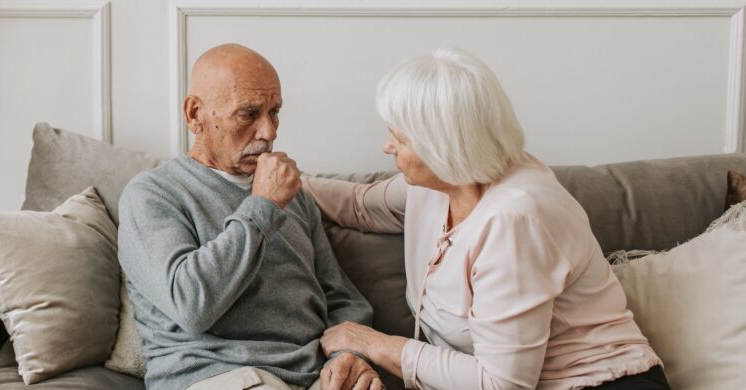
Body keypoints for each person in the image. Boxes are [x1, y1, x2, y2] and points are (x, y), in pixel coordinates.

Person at [303, 48, 671, 390]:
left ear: (440, 145)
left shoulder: (515, 218)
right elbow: (359, 205)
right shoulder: (438, 184)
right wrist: (276, 181)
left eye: (399, 136)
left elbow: (502, 384)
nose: (387, 146)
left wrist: (374, 344)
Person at [118, 43, 381, 390]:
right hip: (222, 374)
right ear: (195, 114)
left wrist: (349, 355)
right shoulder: (153, 194)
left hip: (314, 375)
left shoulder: (293, 194)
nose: (269, 132)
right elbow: (192, 305)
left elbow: (341, 297)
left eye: (275, 113)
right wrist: (263, 206)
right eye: (249, 114)